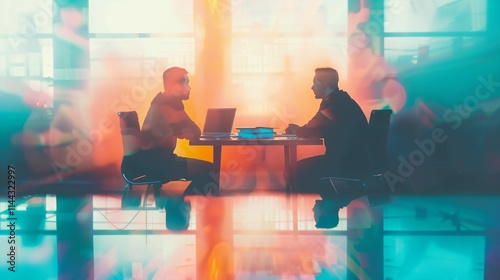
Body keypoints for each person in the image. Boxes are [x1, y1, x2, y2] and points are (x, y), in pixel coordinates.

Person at [286, 67, 371, 198]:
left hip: (344, 164)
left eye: (315, 82)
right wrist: (302, 130)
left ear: (325, 84)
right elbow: (318, 128)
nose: (312, 87)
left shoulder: (332, 104)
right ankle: (327, 206)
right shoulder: (343, 100)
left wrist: (296, 130)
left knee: (293, 171)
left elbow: (307, 131)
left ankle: (326, 204)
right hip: (357, 161)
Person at [138, 66, 217, 196]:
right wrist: (186, 132)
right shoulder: (168, 104)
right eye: (186, 83)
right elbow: (195, 132)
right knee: (209, 170)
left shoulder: (164, 101)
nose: (189, 87)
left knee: (208, 169)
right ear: (175, 86)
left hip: (156, 160)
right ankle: (180, 206)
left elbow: (191, 132)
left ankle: (181, 206)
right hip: (158, 163)